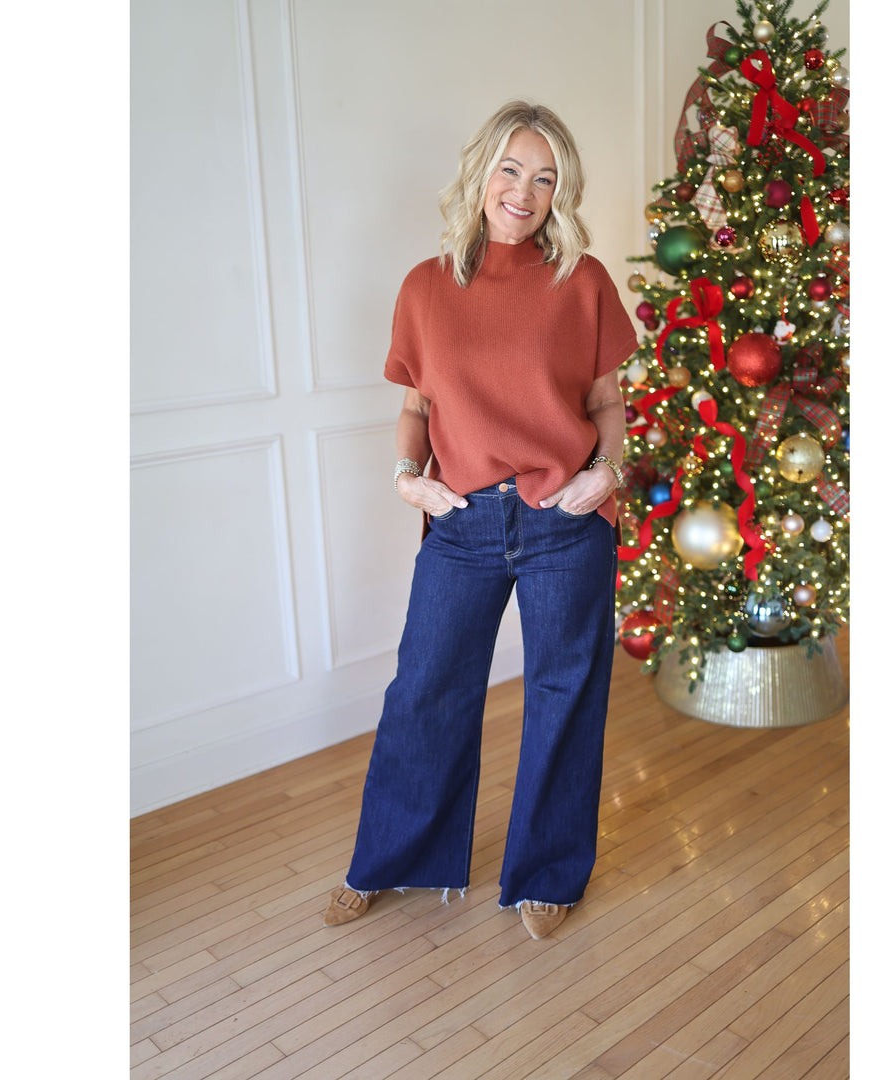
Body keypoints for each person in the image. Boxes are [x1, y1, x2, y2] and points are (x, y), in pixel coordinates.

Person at [323, 100, 638, 940]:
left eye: (545, 178)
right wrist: (405, 477)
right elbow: (414, 411)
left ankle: (548, 873)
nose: (524, 192)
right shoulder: (427, 287)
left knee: (564, 694)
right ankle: (392, 859)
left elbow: (609, 403)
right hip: (460, 523)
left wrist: (604, 475)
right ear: (480, 173)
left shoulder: (585, 280)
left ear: (560, 192)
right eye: (511, 170)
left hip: (565, 520)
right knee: (424, 689)